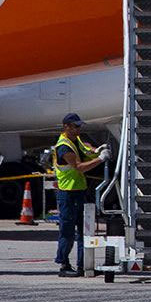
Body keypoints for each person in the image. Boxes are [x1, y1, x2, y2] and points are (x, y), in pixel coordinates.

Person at [52, 112, 107, 276]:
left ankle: (84, 265)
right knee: (67, 232)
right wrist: (101, 159)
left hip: (79, 192)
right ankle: (63, 264)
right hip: (67, 193)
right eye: (75, 126)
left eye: (79, 126)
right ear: (66, 127)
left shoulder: (74, 140)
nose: (78, 129)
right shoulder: (64, 146)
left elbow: (86, 150)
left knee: (85, 231)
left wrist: (97, 150)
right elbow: (79, 166)